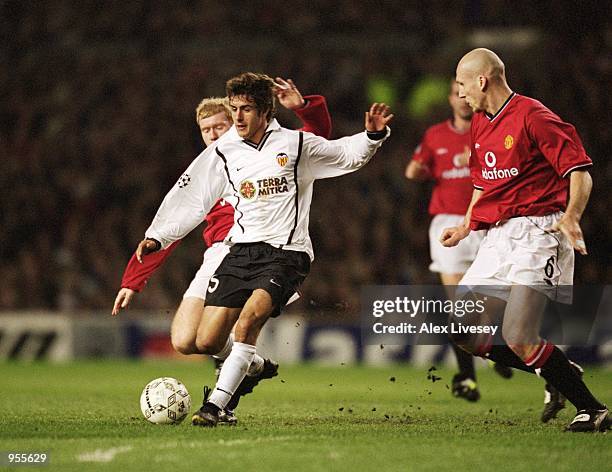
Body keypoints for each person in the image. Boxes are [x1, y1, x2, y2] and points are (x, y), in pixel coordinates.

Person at [139, 72, 392, 427]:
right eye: (236, 108)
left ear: (265, 112)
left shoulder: (295, 145)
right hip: (240, 252)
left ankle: (217, 407)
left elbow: (345, 154)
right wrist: (159, 236)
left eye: (246, 109)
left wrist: (373, 136)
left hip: (286, 253)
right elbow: (193, 194)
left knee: (248, 323)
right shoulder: (224, 152)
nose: (238, 117)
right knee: (208, 340)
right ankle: (253, 368)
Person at [112, 78, 332, 424]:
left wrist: (304, 108)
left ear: (236, 123)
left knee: (242, 327)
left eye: (220, 126)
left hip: (262, 253)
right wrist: (132, 281)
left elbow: (318, 141)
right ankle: (254, 366)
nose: (213, 135)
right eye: (205, 130)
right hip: (218, 255)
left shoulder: (258, 158)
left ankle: (221, 401)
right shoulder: (213, 167)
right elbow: (177, 219)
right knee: (186, 341)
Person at [441, 48, 608, 432]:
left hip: (540, 232)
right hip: (500, 234)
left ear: (482, 81)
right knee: (460, 329)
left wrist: (572, 217)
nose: (461, 94)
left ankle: (594, 409)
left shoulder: (533, 116)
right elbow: (483, 184)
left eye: (463, 85)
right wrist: (467, 225)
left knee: (518, 334)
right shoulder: (481, 123)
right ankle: (557, 368)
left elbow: (579, 170)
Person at [405, 80, 512, 402]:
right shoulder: (435, 135)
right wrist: (423, 170)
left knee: (497, 301)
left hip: (488, 223)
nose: (462, 100)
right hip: (449, 223)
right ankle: (467, 377)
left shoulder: (491, 129)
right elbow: (413, 170)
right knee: (459, 307)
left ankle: (502, 349)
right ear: (451, 99)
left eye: (464, 92)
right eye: (455, 94)